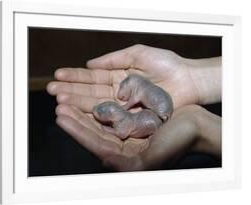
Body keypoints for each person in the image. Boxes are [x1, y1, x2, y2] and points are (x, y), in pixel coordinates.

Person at [47, 44, 222, 171]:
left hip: (159, 112)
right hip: (156, 113)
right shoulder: (130, 106)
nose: (98, 114)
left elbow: (122, 132)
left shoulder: (125, 119)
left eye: (102, 112)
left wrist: (108, 130)